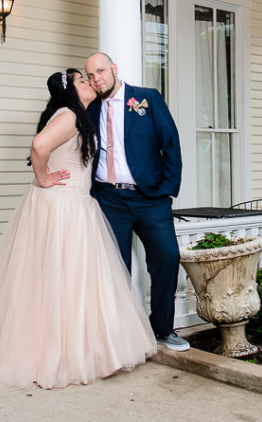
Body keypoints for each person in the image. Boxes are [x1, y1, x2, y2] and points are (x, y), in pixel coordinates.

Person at [0, 69, 157, 389]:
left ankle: (77, 350)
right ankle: (52, 354)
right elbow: (39, 145)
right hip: (61, 207)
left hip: (75, 205)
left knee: (69, 280)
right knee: (57, 278)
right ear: (70, 91)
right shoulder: (68, 115)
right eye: (82, 80)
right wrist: (43, 178)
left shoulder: (77, 116)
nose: (89, 83)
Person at [84, 52, 189, 352]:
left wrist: (167, 191)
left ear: (114, 69)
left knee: (167, 258)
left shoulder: (147, 98)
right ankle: (117, 335)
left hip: (150, 198)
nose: (96, 79)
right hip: (108, 198)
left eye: (101, 71)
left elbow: (171, 143)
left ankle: (163, 330)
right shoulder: (90, 108)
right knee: (115, 267)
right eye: (90, 75)